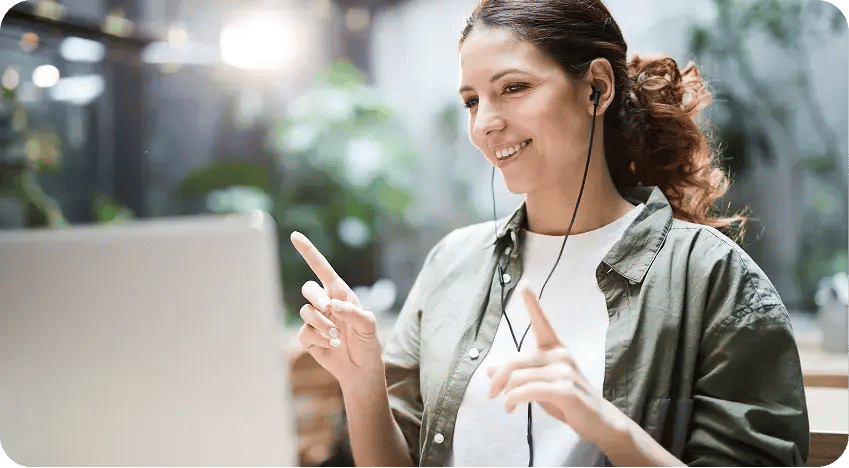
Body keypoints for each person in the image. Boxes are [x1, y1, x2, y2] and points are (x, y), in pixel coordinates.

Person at [290, 0, 810, 466]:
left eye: (513, 88)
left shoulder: (712, 278)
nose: (484, 124)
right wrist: (361, 385)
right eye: (472, 100)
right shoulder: (452, 262)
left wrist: (605, 426)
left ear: (597, 88)